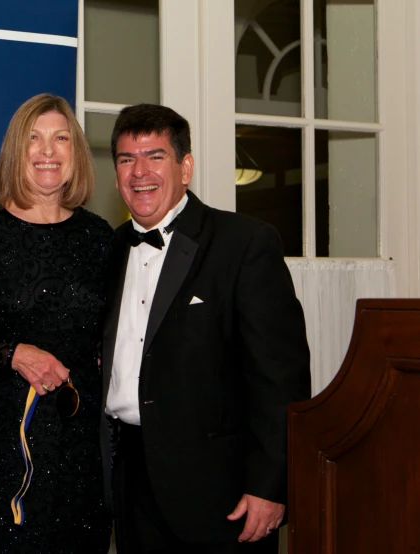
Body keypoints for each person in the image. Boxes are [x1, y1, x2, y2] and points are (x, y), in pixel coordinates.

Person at [102, 104, 312, 554]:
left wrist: (271, 486)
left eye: (155, 156)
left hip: (220, 492)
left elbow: (281, 378)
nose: (140, 172)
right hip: (128, 478)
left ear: (185, 166)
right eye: (126, 159)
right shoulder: (107, 250)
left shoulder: (244, 243)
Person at [0, 93, 114, 553]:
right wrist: (13, 353)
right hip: (3, 456)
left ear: (76, 153)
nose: (48, 151)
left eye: (60, 138)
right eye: (34, 138)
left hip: (82, 455)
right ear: (15, 151)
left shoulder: (99, 238)